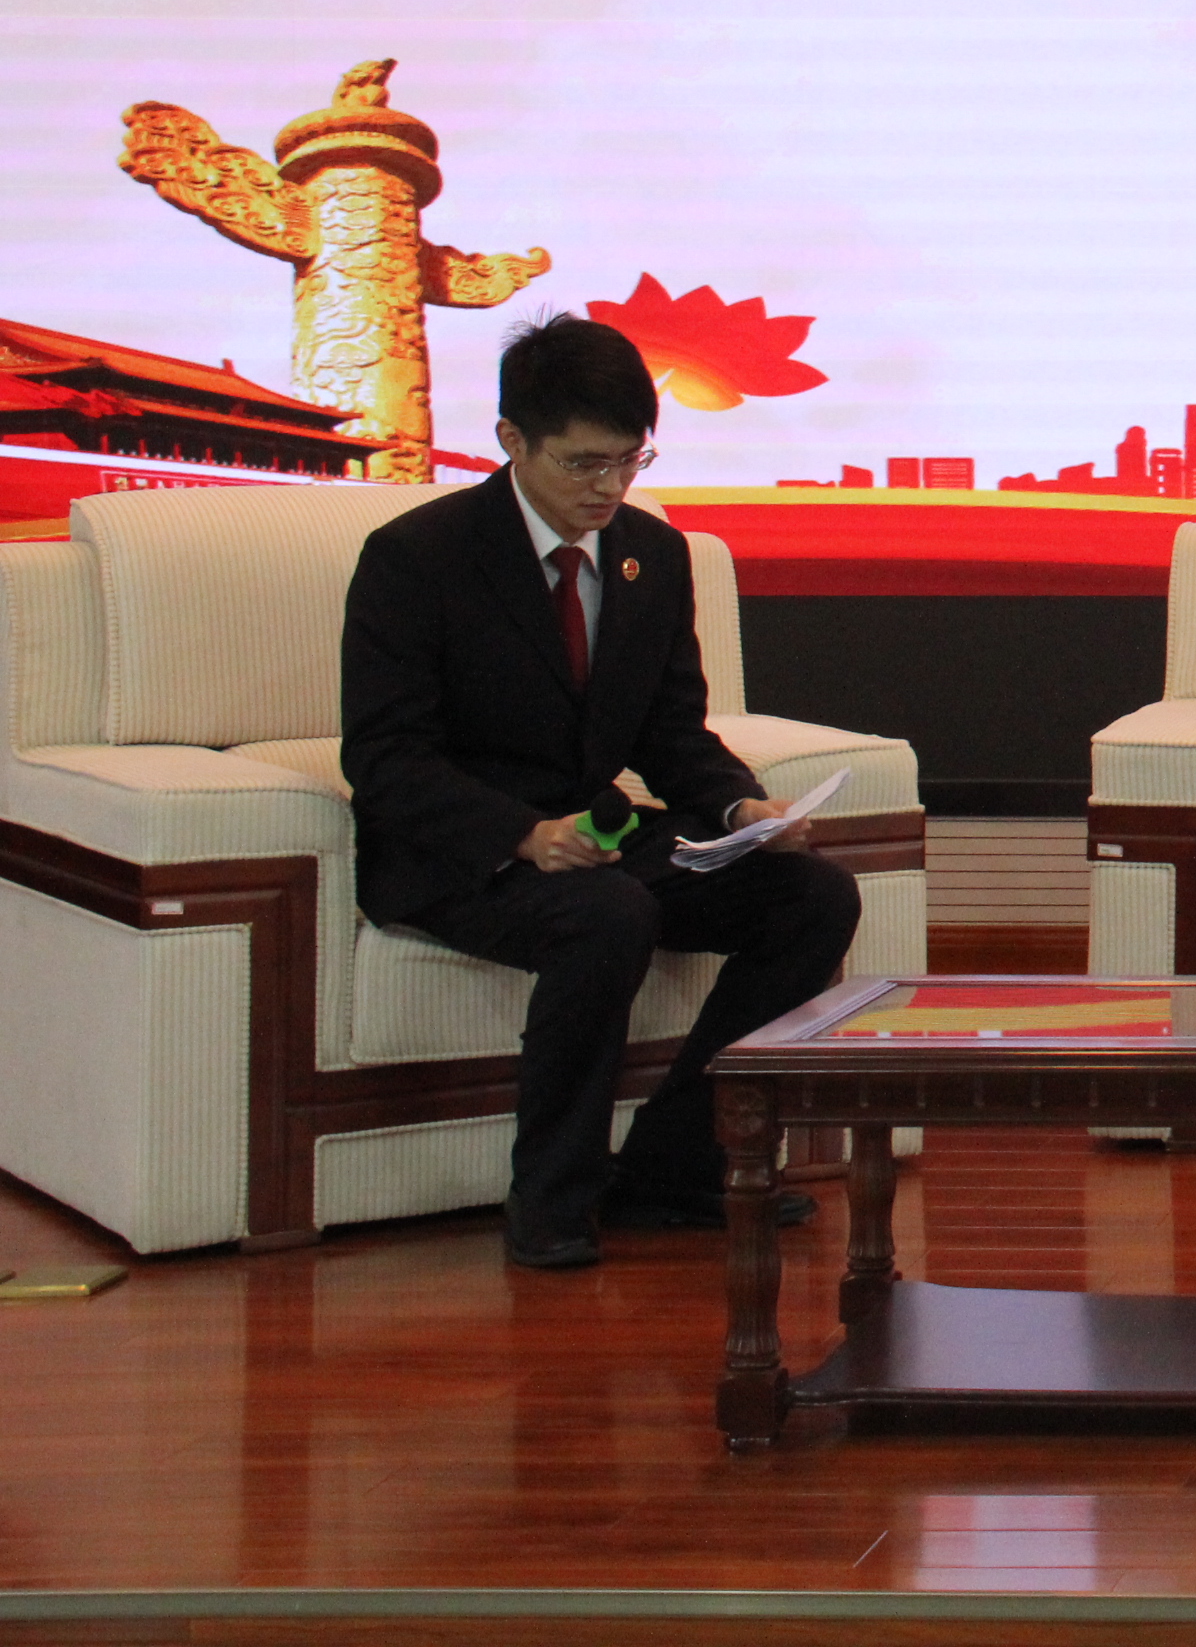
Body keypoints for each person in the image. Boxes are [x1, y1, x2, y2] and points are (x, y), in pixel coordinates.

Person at [341, 315, 859, 1271]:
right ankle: (551, 1197)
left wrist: (742, 810)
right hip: (464, 852)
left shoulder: (651, 554)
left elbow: (672, 732)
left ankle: (674, 1165)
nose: (610, 488)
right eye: (584, 464)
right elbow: (384, 757)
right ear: (513, 440)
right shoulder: (418, 556)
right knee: (607, 914)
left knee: (812, 897)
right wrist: (523, 835)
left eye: (630, 460)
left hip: (596, 840)